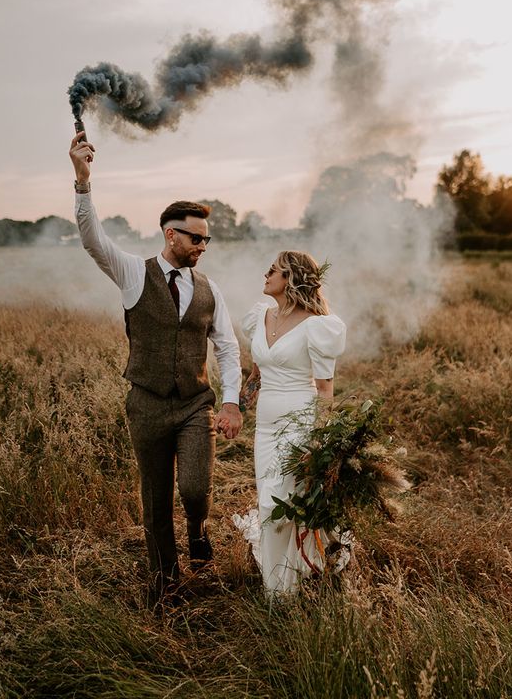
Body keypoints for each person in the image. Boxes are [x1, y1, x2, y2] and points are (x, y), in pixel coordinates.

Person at [69, 132, 242, 603]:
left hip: (193, 405)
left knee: (193, 487)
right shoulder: (132, 273)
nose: (203, 245)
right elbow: (92, 240)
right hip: (146, 404)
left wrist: (230, 402)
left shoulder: (209, 289)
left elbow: (226, 346)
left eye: (207, 238)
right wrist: (83, 182)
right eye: (196, 237)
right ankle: (167, 582)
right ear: (171, 234)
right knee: (155, 500)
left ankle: (199, 526)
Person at [236, 250, 346, 595]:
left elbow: (325, 389)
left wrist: (319, 438)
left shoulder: (317, 325)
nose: (266, 275)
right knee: (266, 501)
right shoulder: (261, 317)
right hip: (264, 429)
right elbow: (256, 373)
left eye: (274, 271)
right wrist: (236, 408)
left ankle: (294, 583)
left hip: (298, 423)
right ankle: (276, 587)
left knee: (284, 501)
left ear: (291, 279)